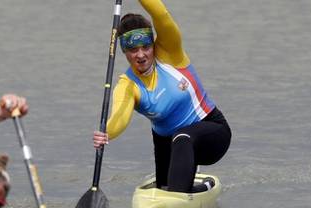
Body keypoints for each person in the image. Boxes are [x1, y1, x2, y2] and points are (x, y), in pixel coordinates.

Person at [93, 0, 231, 193]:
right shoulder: (128, 85)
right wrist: (106, 132)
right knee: (165, 187)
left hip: (212, 133)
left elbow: (162, 16)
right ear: (124, 51)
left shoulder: (170, 52)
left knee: (182, 138)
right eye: (133, 50)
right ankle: (193, 189)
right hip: (168, 146)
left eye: (146, 47)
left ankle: (181, 193)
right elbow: (120, 115)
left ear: (153, 45)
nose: (141, 55)